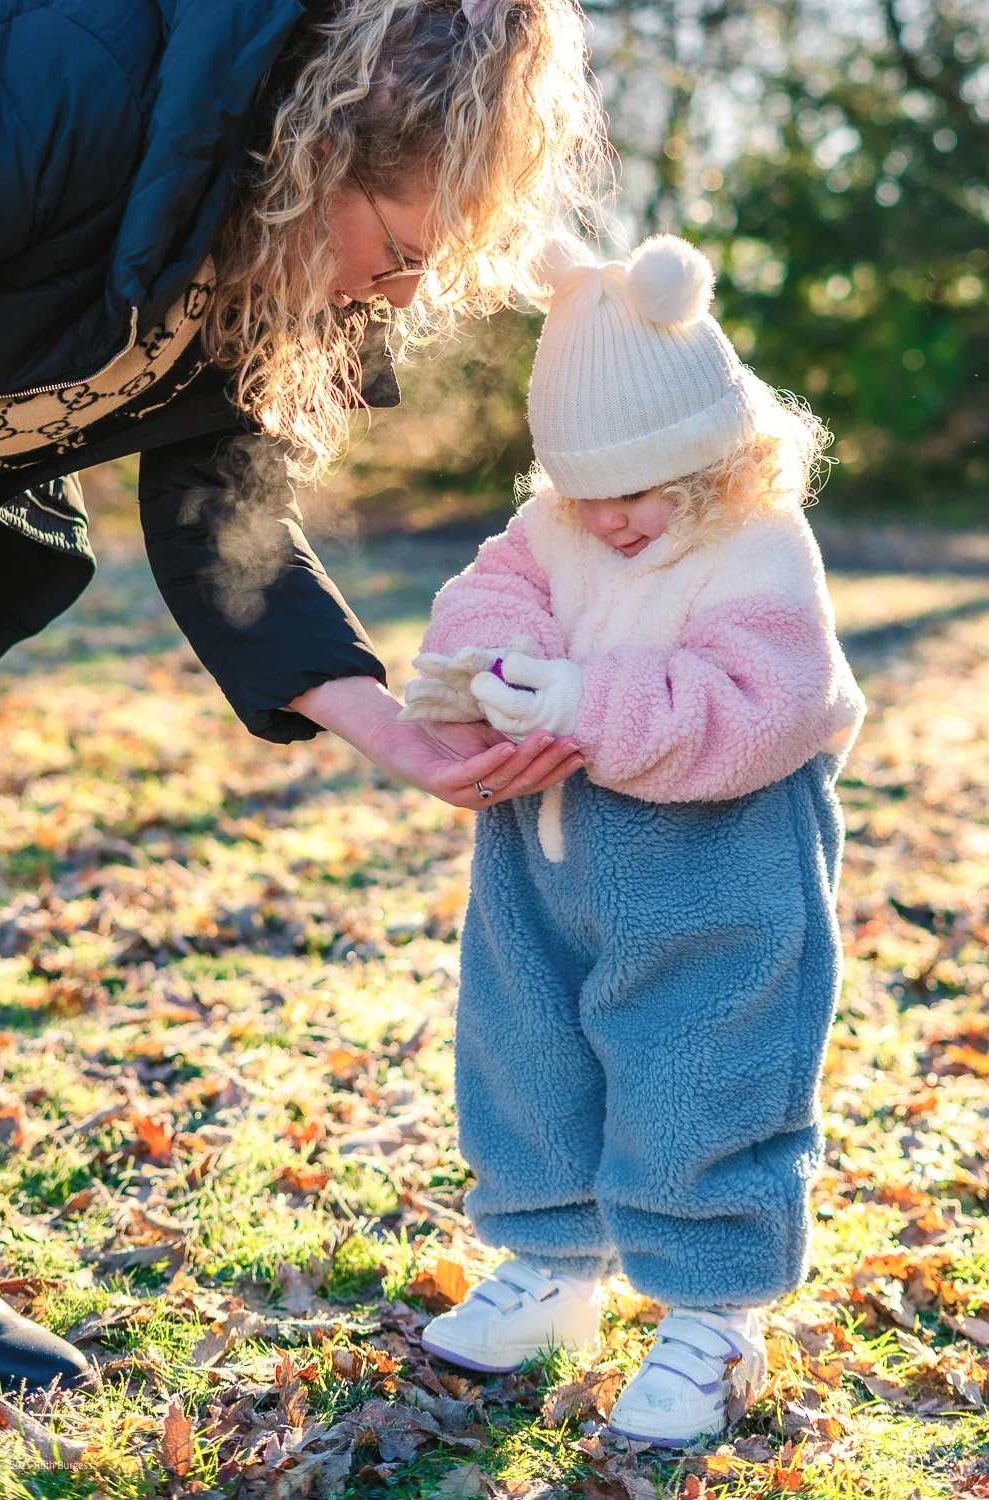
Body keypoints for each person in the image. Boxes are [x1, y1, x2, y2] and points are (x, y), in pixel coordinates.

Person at [0, 0, 608, 1389]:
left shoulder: (272, 264)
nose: (395, 300)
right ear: (317, 149)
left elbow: (223, 501)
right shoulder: (66, 84)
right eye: (396, 254)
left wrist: (383, 725)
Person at [399, 233, 866, 1447]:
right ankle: (552, 1267)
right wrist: (490, 667)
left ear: (716, 456)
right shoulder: (557, 527)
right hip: (544, 845)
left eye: (640, 489)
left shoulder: (760, 547)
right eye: (583, 492)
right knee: (526, 1040)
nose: (608, 520)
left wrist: (582, 700)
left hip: (718, 853)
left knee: (703, 1060)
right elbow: (486, 595)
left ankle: (714, 1310)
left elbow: (759, 704)